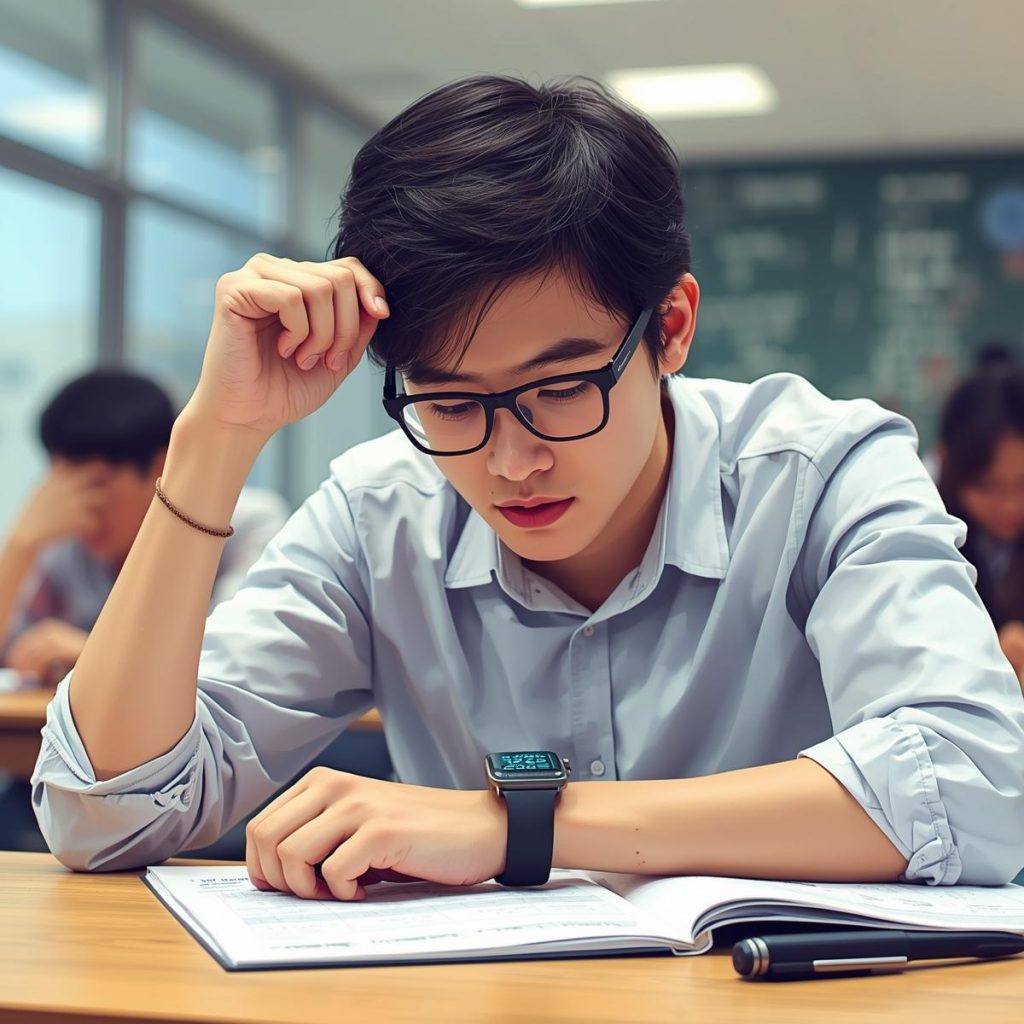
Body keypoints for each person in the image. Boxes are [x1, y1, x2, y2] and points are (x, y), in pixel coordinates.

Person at [32, 76, 1024, 897]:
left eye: (559, 388)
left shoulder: (821, 473)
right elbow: (104, 811)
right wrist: (214, 436)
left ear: (671, 326)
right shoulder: (381, 513)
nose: (510, 460)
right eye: (452, 401)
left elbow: (982, 787)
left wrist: (517, 829)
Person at [0, 369, 289, 680]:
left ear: (163, 465)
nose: (78, 504)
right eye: (62, 482)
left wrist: (94, 653)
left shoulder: (247, 525)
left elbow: (238, 655)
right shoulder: (65, 537)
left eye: (95, 483)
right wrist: (21, 544)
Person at [937, 367, 1024, 687]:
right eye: (988, 486)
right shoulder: (928, 535)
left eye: (1023, 484)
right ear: (947, 462)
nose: (1011, 506)